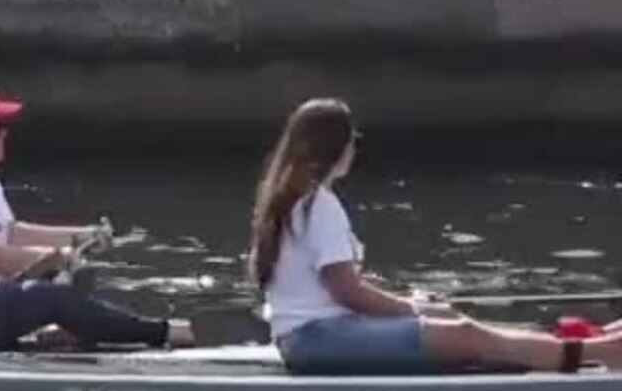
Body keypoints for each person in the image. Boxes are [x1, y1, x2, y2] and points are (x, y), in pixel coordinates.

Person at [251, 96, 589, 375]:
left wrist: (416, 307)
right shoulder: (318, 205)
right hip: (318, 342)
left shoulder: (290, 201)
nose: (354, 150)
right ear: (337, 148)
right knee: (463, 334)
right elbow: (347, 292)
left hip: (309, 339)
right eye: (352, 142)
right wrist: (412, 309)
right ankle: (595, 354)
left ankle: (564, 349)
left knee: (455, 323)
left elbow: (333, 290)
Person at [0, 83, 195, 352]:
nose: (3, 135)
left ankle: (67, 331)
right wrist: (51, 257)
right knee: (51, 297)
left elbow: (11, 234)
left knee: (68, 275)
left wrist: (84, 236)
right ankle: (164, 332)